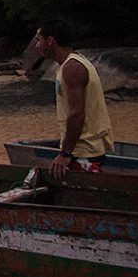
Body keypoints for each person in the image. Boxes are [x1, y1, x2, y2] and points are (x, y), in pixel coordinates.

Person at [35, 20, 113, 179]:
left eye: (39, 40)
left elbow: (77, 114)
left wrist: (65, 154)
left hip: (84, 151)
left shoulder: (72, 68)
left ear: (50, 41)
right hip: (81, 149)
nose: (37, 46)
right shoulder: (68, 65)